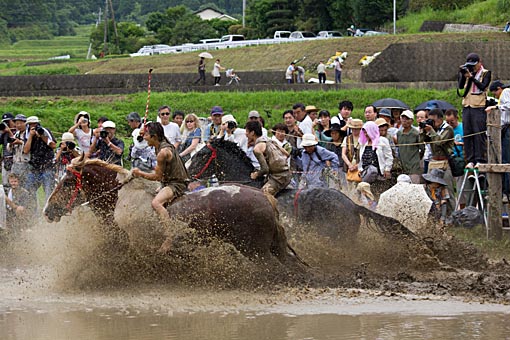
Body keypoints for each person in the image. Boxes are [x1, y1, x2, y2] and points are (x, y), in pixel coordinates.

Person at [132, 122, 189, 253]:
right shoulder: (162, 140)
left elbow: (157, 177)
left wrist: (139, 173)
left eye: (146, 135)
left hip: (176, 184)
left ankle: (169, 238)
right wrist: (144, 130)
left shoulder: (162, 153)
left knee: (156, 203)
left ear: (154, 136)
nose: (144, 138)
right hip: (168, 181)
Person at [457, 52, 491, 168]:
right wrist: (462, 75)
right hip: (467, 106)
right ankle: (470, 160)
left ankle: (480, 159)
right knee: (467, 133)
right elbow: (461, 87)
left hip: (479, 106)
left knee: (478, 134)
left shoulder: (486, 73)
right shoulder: (467, 72)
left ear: (479, 62)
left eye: (474, 65)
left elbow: (483, 86)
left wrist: (472, 78)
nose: (472, 67)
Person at [419, 108, 456, 208]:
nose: (431, 123)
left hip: (444, 162)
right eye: (429, 120)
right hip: (433, 161)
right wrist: (423, 131)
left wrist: (431, 131)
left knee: (448, 190)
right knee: (432, 190)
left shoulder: (447, 129)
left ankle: (452, 214)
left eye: (433, 120)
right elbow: (421, 141)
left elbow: (439, 142)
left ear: (440, 119)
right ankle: (435, 214)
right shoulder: (433, 129)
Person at [245, 120, 291, 196]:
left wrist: (256, 174)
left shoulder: (257, 149)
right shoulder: (271, 140)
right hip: (287, 174)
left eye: (247, 131)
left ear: (252, 133)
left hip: (278, 178)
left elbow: (265, 169)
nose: (245, 134)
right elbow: (287, 154)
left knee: (261, 197)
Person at [486, 80, 510, 199]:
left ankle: (507, 189)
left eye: (495, 93)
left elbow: (508, 105)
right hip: (503, 129)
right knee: (503, 158)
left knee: (506, 158)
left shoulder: (506, 92)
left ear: (499, 88)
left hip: (507, 128)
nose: (496, 95)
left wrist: (495, 107)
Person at [23, 116, 56, 201]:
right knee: (29, 191)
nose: (33, 126)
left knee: (49, 191)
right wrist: (31, 136)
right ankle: (32, 211)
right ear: (28, 125)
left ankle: (48, 211)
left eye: (35, 124)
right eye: (31, 124)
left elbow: (53, 145)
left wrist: (42, 136)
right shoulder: (26, 134)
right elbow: (26, 150)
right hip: (34, 167)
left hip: (47, 166)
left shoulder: (45, 131)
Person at [396, 110, 423, 184]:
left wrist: (417, 159)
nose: (404, 121)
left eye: (407, 119)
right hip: (403, 165)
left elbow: (422, 148)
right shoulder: (399, 133)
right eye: (403, 118)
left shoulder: (416, 134)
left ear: (411, 121)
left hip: (414, 166)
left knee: (414, 187)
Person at [7, 115, 30, 188]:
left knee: (27, 186)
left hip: (26, 162)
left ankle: (30, 199)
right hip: (16, 162)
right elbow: (9, 149)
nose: (19, 125)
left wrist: (20, 142)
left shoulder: (29, 134)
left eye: (21, 123)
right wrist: (11, 144)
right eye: (17, 123)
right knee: (15, 185)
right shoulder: (16, 134)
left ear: (25, 123)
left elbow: (30, 148)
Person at [325, 123, 347, 188]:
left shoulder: (344, 143)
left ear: (339, 133)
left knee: (345, 187)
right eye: (332, 133)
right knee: (333, 187)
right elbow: (327, 158)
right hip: (333, 168)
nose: (334, 135)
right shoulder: (329, 145)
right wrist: (329, 168)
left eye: (336, 133)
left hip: (344, 168)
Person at [342, 119, 363, 183]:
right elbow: (343, 154)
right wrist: (349, 165)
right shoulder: (347, 138)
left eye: (356, 129)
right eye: (353, 129)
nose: (354, 130)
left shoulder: (364, 139)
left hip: (360, 167)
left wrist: (358, 165)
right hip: (349, 167)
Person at [0, 113, 15, 188]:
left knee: (15, 183)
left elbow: (16, 141)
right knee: (5, 183)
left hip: (15, 160)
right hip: (6, 160)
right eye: (5, 122)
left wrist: (9, 131)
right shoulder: (3, 133)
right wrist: (2, 132)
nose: (7, 124)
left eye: (8, 122)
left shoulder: (18, 131)